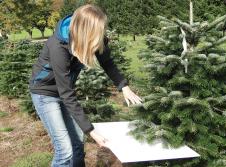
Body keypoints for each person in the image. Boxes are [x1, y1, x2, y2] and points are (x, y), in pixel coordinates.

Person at [29, 4, 142, 167]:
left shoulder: (93, 37)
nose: (102, 36)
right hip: (45, 93)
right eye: (99, 32)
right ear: (86, 32)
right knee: (65, 151)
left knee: (77, 143)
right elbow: (66, 94)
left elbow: (108, 63)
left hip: (63, 92)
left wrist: (123, 86)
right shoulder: (58, 47)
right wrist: (91, 130)